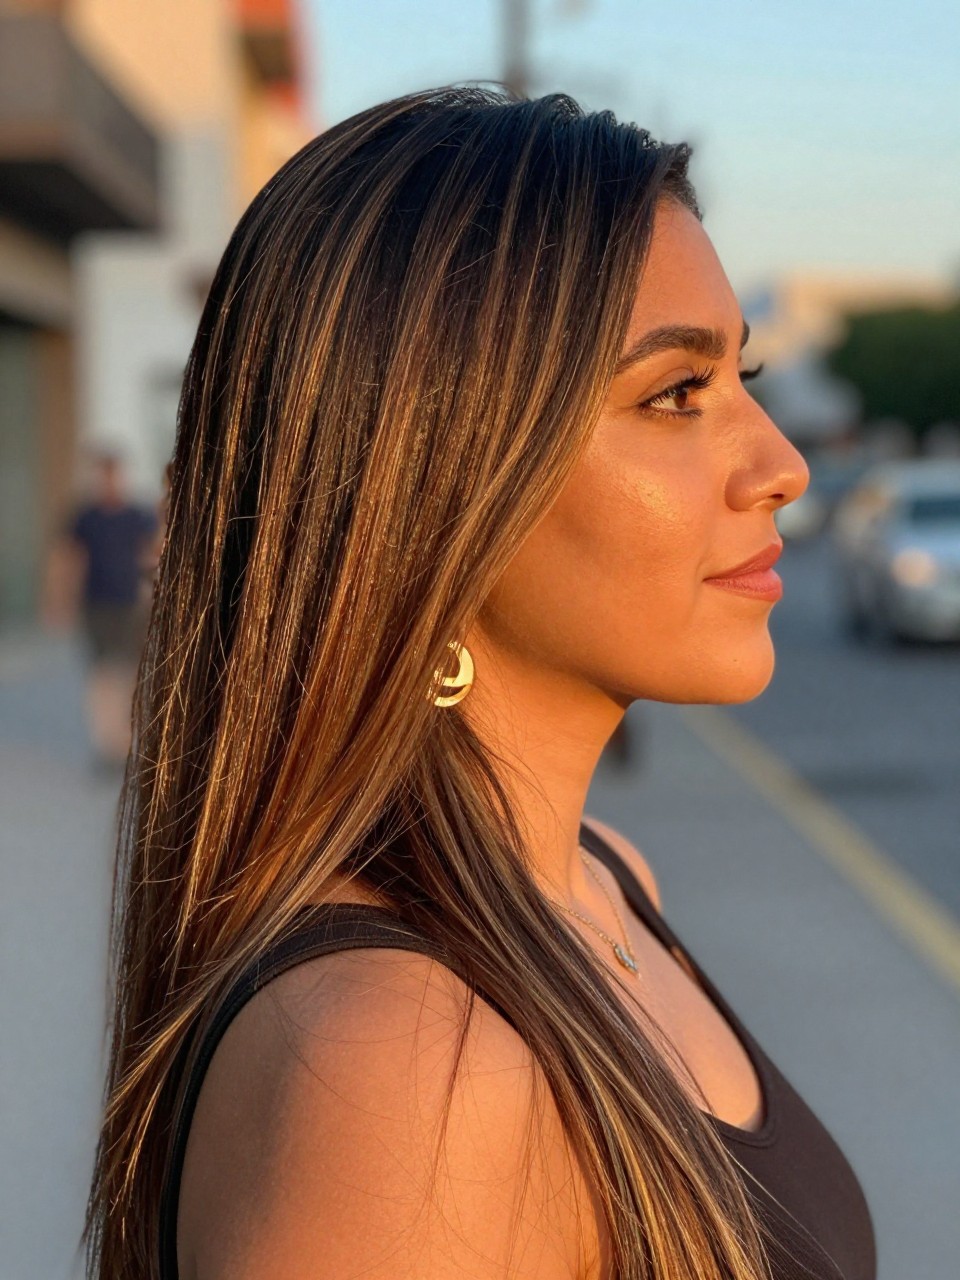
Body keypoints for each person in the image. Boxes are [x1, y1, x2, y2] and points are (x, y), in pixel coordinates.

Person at [84, 87, 876, 1280]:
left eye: (743, 378)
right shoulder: (402, 1066)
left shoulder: (605, 881)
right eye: (674, 395)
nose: (781, 464)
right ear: (435, 493)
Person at [43, 448, 158, 774]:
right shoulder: (85, 517)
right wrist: (58, 600)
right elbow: (67, 558)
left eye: (112, 474)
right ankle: (109, 745)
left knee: (131, 674)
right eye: (102, 475)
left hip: (132, 606)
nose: (107, 481)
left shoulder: (138, 514)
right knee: (101, 674)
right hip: (96, 604)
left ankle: (126, 740)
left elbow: (152, 553)